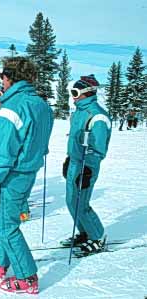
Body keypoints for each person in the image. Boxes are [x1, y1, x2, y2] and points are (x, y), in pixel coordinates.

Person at [0, 56, 53, 294]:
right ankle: (0, 261)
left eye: (2, 76)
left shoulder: (11, 107)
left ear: (9, 77)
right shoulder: (40, 104)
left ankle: (26, 276)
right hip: (29, 169)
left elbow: (4, 151)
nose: (1, 80)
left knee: (7, 226)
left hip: (12, 173)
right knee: (4, 217)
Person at [61, 75, 111, 254]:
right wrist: (69, 159)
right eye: (71, 92)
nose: (72, 96)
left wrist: (88, 169)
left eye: (75, 92)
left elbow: (98, 148)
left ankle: (98, 237)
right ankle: (85, 232)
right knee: (71, 201)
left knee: (81, 203)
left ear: (86, 93)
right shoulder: (79, 113)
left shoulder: (97, 116)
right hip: (75, 161)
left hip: (87, 165)